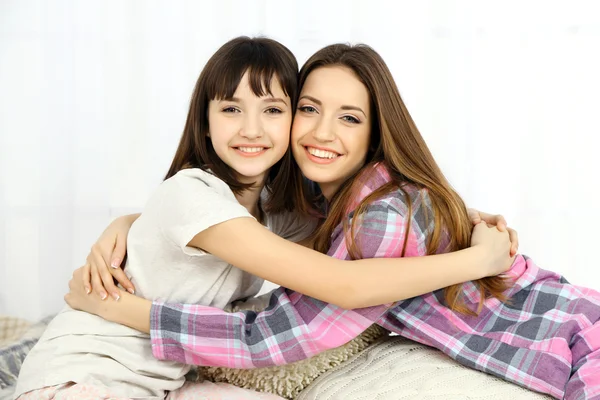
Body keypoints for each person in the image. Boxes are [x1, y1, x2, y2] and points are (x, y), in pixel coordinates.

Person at [70, 43, 600, 400]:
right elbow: (228, 219)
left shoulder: (382, 215)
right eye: (308, 108)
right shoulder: (325, 202)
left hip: (577, 340)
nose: (323, 133)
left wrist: (126, 309)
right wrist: (130, 222)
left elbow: (274, 338)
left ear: (375, 133)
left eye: (349, 118)